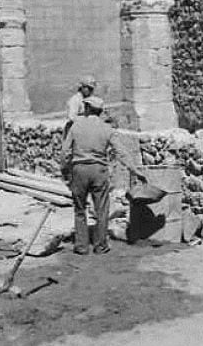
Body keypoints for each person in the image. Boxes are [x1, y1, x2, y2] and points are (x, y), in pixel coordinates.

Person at [60, 96, 146, 255]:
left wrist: (65, 171)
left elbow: (65, 152)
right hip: (99, 171)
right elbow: (122, 152)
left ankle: (81, 246)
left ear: (86, 109)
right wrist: (135, 171)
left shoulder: (76, 126)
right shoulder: (107, 129)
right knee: (101, 209)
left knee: (80, 209)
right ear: (100, 112)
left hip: (79, 170)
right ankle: (100, 245)